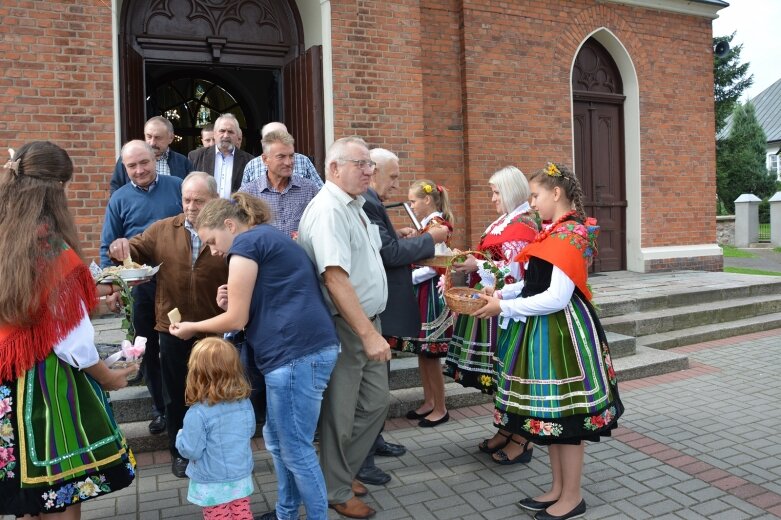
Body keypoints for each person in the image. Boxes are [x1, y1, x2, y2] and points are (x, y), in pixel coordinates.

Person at [170, 193, 340, 520]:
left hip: (294, 356)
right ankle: (287, 513)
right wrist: (230, 300)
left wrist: (192, 327)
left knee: (297, 450)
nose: (214, 251)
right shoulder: (267, 237)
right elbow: (268, 298)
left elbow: (236, 320)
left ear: (231, 225)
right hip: (302, 352)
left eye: (212, 240)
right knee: (279, 443)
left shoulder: (245, 244)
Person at [472, 162, 624, 520]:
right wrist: (502, 295)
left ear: (556, 194)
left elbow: (556, 296)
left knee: (566, 418)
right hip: (545, 330)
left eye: (536, 196)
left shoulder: (571, 234)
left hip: (562, 334)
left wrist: (501, 307)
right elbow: (532, 284)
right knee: (552, 418)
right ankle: (557, 488)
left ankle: (572, 495)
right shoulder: (552, 231)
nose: (533, 203)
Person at [0, 142, 137, 518]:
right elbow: (70, 341)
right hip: (47, 388)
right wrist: (107, 377)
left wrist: (88, 293)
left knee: (25, 498)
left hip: (5, 381)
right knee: (62, 492)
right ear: (54, 190)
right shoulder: (51, 249)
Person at [107, 172, 228, 478]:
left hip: (213, 327)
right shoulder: (163, 229)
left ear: (213, 199)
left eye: (198, 200)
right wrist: (121, 247)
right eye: (186, 199)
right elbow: (134, 248)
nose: (190, 206)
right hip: (172, 326)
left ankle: (214, 447)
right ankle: (179, 451)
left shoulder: (226, 231)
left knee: (213, 392)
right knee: (176, 394)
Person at [297, 136, 389, 520]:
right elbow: (335, 278)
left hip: (366, 320)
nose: (369, 170)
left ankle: (338, 473)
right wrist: (367, 334)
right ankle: (334, 489)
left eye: (370, 164)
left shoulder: (355, 205)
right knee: (341, 411)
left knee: (375, 402)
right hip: (347, 326)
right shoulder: (330, 210)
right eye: (360, 163)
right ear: (334, 168)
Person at [356, 149, 450, 487]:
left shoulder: (370, 201)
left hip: (382, 306)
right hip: (375, 308)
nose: (396, 186)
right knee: (372, 389)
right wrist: (428, 239)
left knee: (377, 386)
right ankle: (362, 459)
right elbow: (389, 255)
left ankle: (374, 441)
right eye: (394, 177)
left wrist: (400, 235)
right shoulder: (366, 201)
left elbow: (385, 243)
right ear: (375, 170)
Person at [444, 166, 539, 463]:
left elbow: (519, 273)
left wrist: (478, 266)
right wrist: (473, 262)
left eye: (496, 192)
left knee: (512, 375)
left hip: (511, 309)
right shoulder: (506, 221)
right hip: (495, 304)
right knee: (500, 376)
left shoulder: (522, 226)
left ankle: (522, 440)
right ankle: (505, 429)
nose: (493, 198)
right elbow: (496, 260)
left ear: (510, 192)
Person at [101, 140, 184, 437]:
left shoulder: (178, 186)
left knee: (179, 345)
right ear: (125, 168)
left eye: (144, 163)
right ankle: (161, 409)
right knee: (147, 349)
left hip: (178, 285)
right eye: (132, 166)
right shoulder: (119, 199)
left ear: (155, 159)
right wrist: (112, 290)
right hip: (140, 289)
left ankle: (186, 404)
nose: (139, 170)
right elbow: (107, 247)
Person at [175, 337, 255, 520]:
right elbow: (249, 431)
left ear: (196, 374)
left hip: (213, 481)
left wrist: (180, 436)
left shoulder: (198, 413)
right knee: (241, 513)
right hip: (240, 475)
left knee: (219, 516)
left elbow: (191, 450)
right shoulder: (244, 402)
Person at [396, 180, 455, 428]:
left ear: (427, 200)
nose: (411, 205)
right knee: (423, 352)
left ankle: (440, 407)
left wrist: (407, 277)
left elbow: (437, 265)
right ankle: (429, 400)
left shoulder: (437, 226)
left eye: (413, 201)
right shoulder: (426, 226)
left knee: (431, 354)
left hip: (431, 292)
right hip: (422, 291)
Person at [238, 130, 320, 236]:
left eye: (291, 156)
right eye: (281, 157)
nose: (288, 162)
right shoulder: (248, 193)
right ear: (265, 159)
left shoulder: (310, 189)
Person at [110, 116, 193, 193]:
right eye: (149, 137)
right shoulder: (129, 159)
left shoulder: (182, 162)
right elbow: (116, 188)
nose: (152, 143)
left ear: (171, 138)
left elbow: (190, 191)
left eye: (158, 138)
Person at [189, 113, 254, 199]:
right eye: (222, 131)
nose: (226, 135)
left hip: (236, 211)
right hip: (205, 211)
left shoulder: (249, 161)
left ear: (238, 136)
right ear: (215, 134)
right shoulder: (196, 156)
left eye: (230, 132)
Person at [241, 121, 323, 187]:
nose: (288, 162)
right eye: (271, 139)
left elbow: (320, 193)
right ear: (263, 142)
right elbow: (244, 201)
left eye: (283, 136)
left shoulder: (303, 161)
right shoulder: (251, 165)